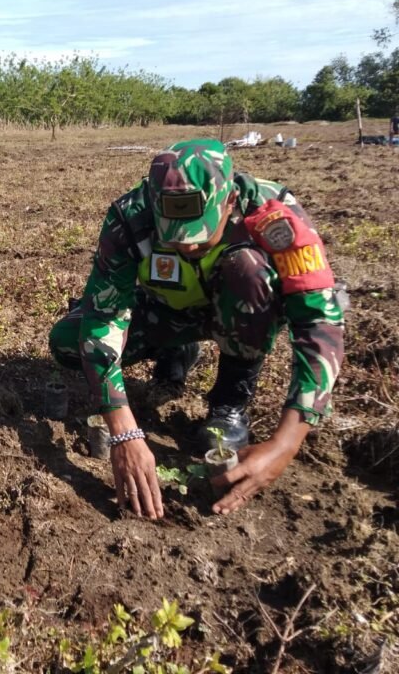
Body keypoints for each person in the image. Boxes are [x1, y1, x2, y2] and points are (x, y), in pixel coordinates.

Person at [49, 139, 344, 518]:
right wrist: (123, 429)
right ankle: (177, 348)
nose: (188, 248)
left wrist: (287, 441)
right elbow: (103, 315)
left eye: (201, 236)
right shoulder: (130, 215)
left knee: (249, 272)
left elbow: (320, 322)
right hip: (162, 309)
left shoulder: (274, 217)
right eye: (174, 237)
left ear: (230, 203)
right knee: (69, 343)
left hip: (237, 312)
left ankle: (229, 402)